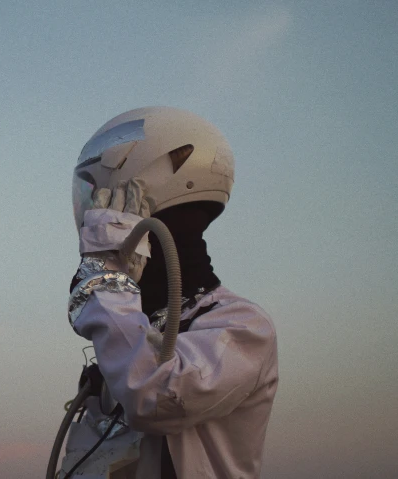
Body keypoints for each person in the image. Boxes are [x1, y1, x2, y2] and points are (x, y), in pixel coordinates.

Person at [63, 106, 278, 478]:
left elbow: (155, 398)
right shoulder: (134, 326)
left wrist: (105, 272)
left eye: (105, 201)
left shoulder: (243, 327)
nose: (93, 217)